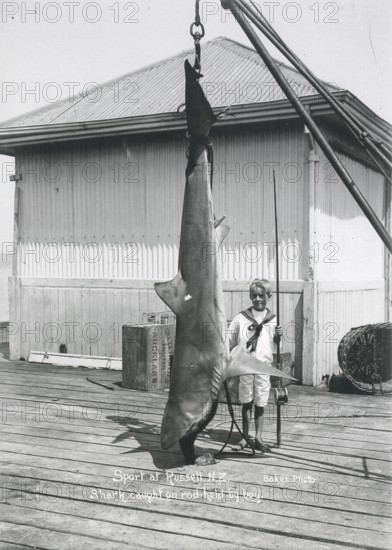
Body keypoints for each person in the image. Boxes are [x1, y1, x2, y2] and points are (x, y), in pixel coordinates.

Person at [227, 278, 283, 452]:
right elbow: (229, 340)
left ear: (269, 296)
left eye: (261, 296)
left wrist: (278, 336)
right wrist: (228, 358)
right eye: (254, 296)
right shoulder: (241, 318)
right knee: (246, 399)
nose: (258, 299)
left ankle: (258, 436)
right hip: (245, 365)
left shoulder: (273, 319)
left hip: (263, 365)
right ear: (250, 296)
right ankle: (245, 437)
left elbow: (276, 346)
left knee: (261, 400)